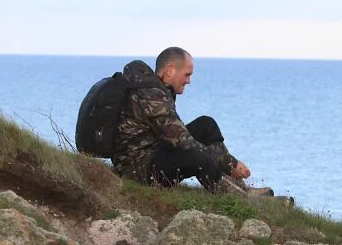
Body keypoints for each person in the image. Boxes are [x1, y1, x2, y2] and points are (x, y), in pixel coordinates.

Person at [111, 47, 268, 194]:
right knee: (196, 156)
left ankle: (236, 185)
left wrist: (226, 163)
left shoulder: (154, 89)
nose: (189, 81)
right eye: (187, 74)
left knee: (206, 125)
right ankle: (236, 196)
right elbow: (182, 141)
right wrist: (230, 163)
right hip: (137, 170)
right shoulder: (152, 96)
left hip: (152, 152)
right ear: (170, 71)